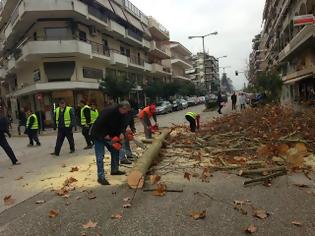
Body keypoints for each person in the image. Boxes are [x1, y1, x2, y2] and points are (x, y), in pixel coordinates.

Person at [90, 101, 131, 185]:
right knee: (100, 156)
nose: (126, 113)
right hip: (99, 135)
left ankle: (114, 170)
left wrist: (121, 133)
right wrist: (104, 135)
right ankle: (100, 177)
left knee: (115, 150)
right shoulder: (108, 112)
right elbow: (98, 124)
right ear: (121, 108)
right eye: (126, 110)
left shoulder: (123, 115)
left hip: (111, 135)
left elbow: (122, 125)